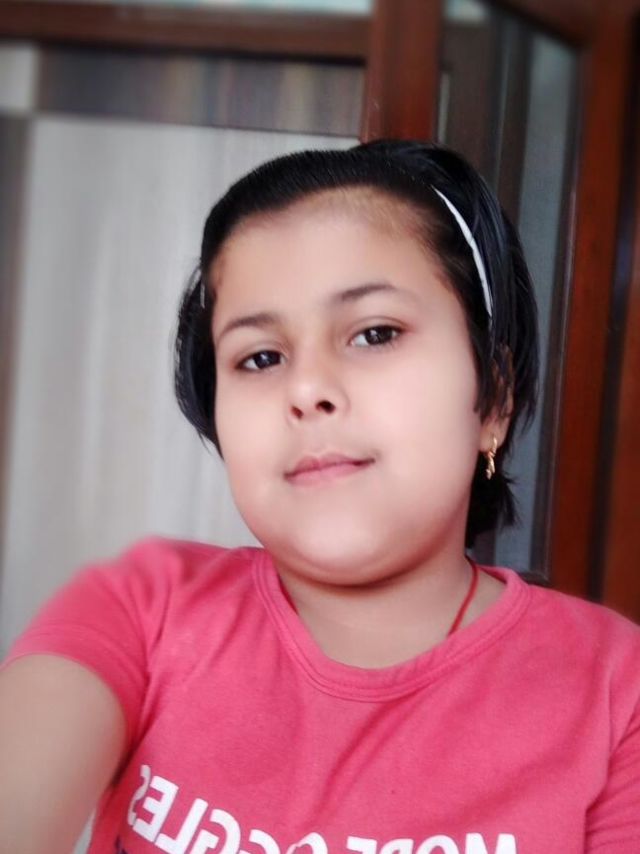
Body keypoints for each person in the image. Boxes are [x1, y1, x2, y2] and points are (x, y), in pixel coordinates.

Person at [1, 140, 639, 854]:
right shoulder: (142, 606)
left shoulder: (616, 695)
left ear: (492, 398)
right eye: (260, 358)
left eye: (375, 334)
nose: (306, 390)